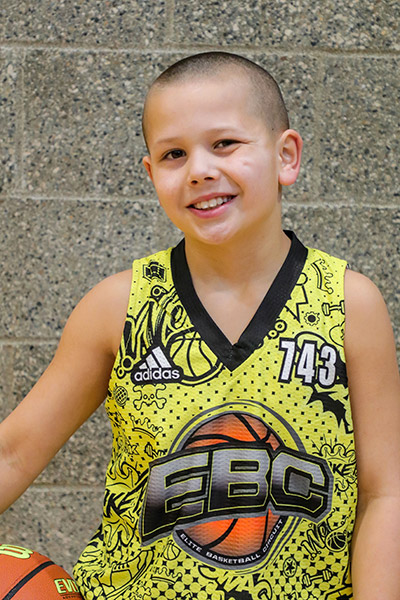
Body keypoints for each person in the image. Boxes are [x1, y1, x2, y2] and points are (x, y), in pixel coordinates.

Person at [0, 52, 399, 600]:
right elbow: (14, 453)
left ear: (285, 156)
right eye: (174, 154)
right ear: (151, 175)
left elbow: (385, 494)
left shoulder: (350, 304)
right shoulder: (117, 308)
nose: (199, 170)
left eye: (225, 143)